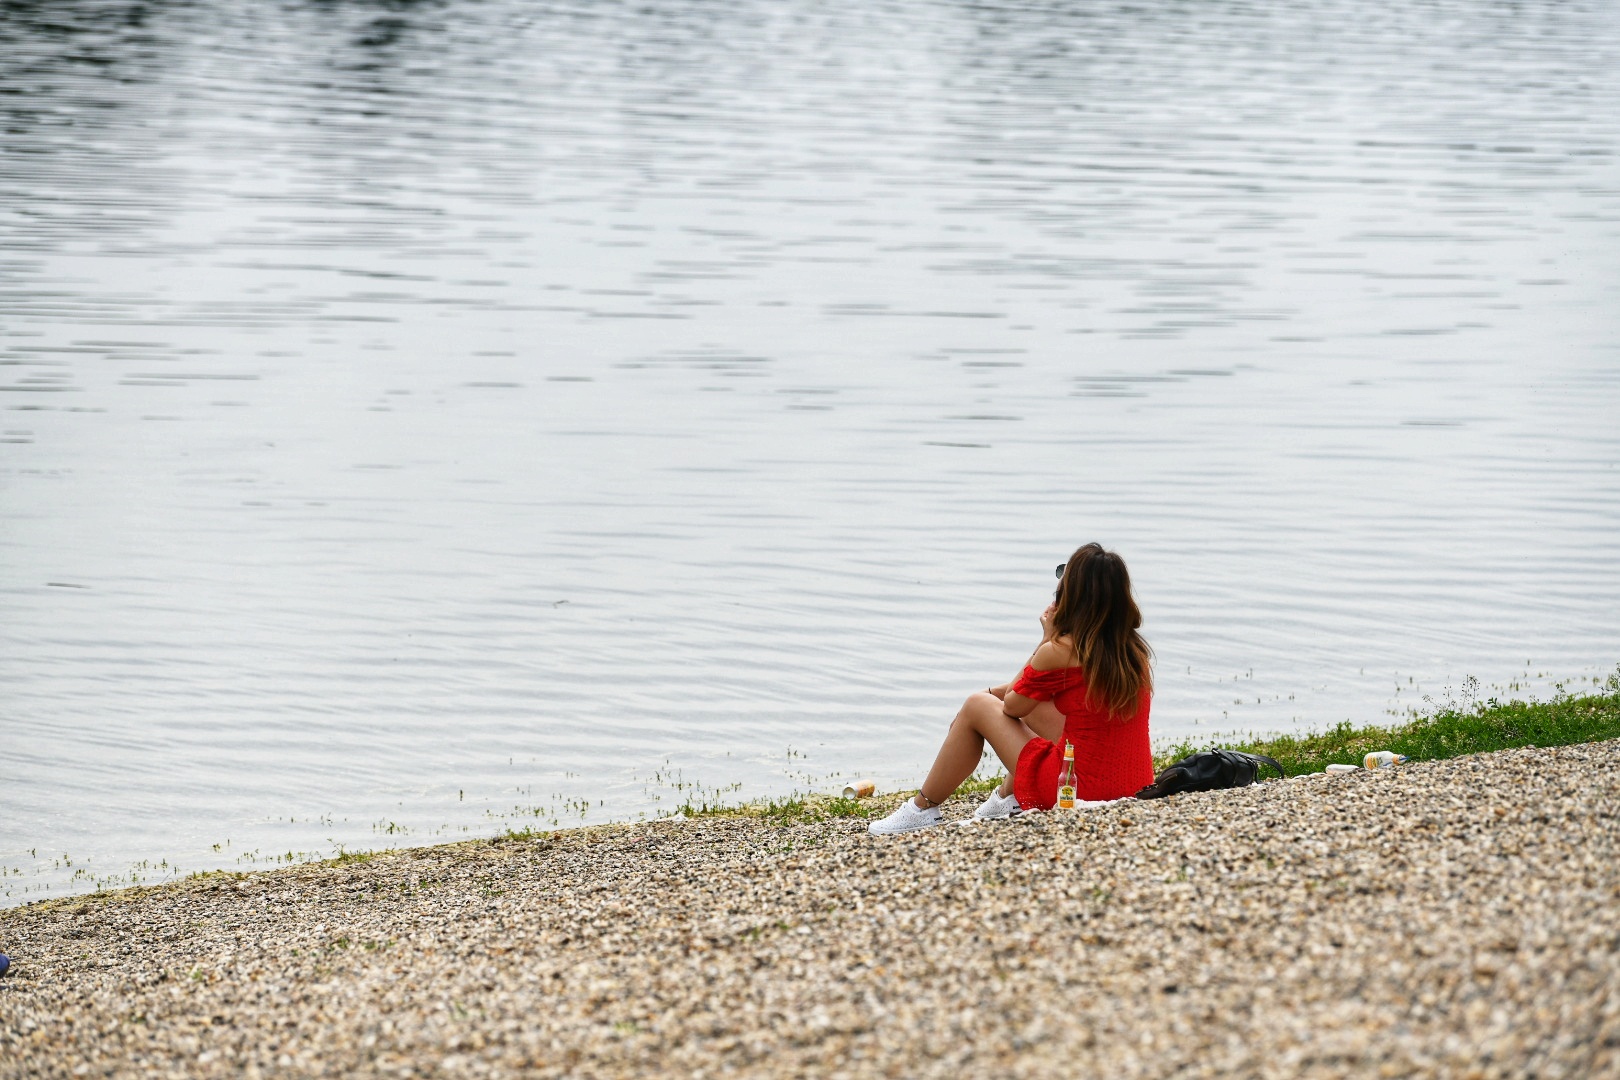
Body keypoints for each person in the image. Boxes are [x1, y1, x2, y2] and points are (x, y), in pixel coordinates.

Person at [869, 543, 1154, 835]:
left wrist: (1045, 641)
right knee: (1034, 706)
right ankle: (1007, 797)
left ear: (1073, 594)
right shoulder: (1134, 652)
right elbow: (1037, 692)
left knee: (976, 704)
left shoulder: (1059, 650)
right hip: (1135, 787)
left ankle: (921, 809)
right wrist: (991, 694)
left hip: (1073, 789)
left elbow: (1013, 705)